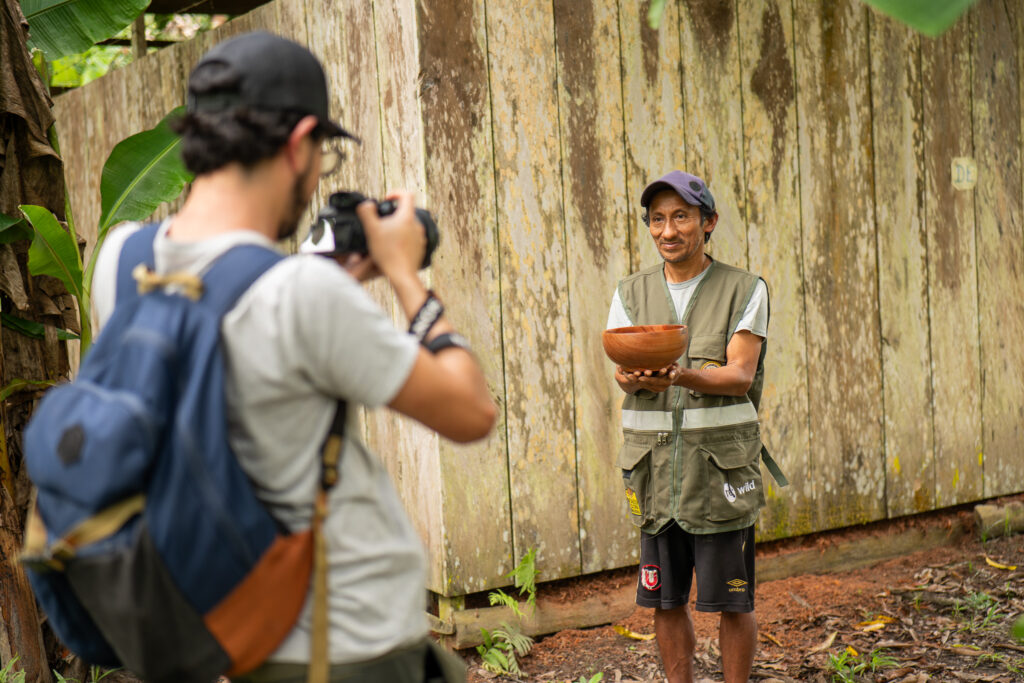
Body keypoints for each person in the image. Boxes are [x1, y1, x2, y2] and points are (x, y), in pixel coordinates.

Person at [91, 31, 495, 682]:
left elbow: (224, 328)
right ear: (298, 140)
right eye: (322, 154)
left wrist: (323, 282)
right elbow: (471, 411)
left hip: (234, 628)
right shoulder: (301, 295)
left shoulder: (120, 262)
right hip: (349, 641)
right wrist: (404, 274)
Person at [607, 170, 774, 683]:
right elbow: (621, 371)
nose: (668, 230)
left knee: (733, 602)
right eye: (657, 219)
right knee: (665, 600)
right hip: (655, 472)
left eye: (681, 216)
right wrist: (632, 377)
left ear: (708, 223)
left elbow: (740, 374)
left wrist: (679, 375)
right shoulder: (631, 292)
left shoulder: (744, 289)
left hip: (719, 473)